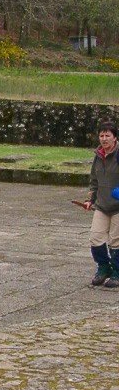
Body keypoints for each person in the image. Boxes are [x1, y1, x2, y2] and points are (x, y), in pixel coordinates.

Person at [85, 120, 119, 287]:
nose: (104, 139)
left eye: (108, 135)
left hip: (118, 206)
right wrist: (90, 200)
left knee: (115, 241)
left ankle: (117, 272)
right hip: (102, 205)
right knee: (95, 238)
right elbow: (94, 181)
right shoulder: (98, 156)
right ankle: (104, 268)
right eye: (101, 135)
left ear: (115, 137)